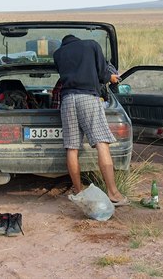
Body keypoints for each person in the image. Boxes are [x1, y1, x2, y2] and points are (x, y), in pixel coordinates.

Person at [53, 34, 129, 206]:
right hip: (87, 97)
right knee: (101, 142)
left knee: (72, 147)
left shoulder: (58, 54)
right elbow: (103, 74)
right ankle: (113, 193)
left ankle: (78, 191)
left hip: (67, 100)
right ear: (77, 40)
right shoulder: (91, 45)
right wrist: (112, 78)